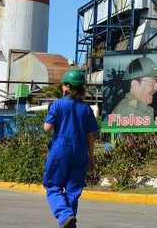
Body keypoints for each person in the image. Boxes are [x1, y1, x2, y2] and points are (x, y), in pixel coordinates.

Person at [43, 68, 99, 228]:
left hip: (61, 149)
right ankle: (69, 224)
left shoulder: (58, 104)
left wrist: (51, 115)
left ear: (68, 86)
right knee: (73, 190)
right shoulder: (87, 109)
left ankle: (64, 214)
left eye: (63, 84)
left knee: (53, 185)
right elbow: (90, 137)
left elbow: (47, 127)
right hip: (80, 152)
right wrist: (91, 158)